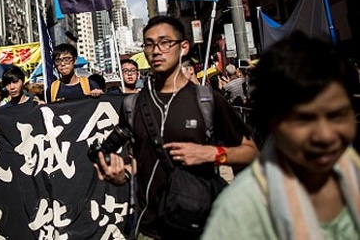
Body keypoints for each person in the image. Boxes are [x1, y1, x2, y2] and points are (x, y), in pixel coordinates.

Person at [95, 15, 257, 239]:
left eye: (164, 42)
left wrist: (212, 153)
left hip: (201, 225)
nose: (156, 50)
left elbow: (250, 152)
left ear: (183, 47)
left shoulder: (207, 100)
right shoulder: (132, 105)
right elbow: (138, 163)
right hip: (150, 228)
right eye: (149, 44)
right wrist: (121, 175)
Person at [202, 32, 360, 239]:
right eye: (303, 120)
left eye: (337, 115)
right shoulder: (240, 213)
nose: (325, 135)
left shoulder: (353, 172)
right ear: (272, 122)